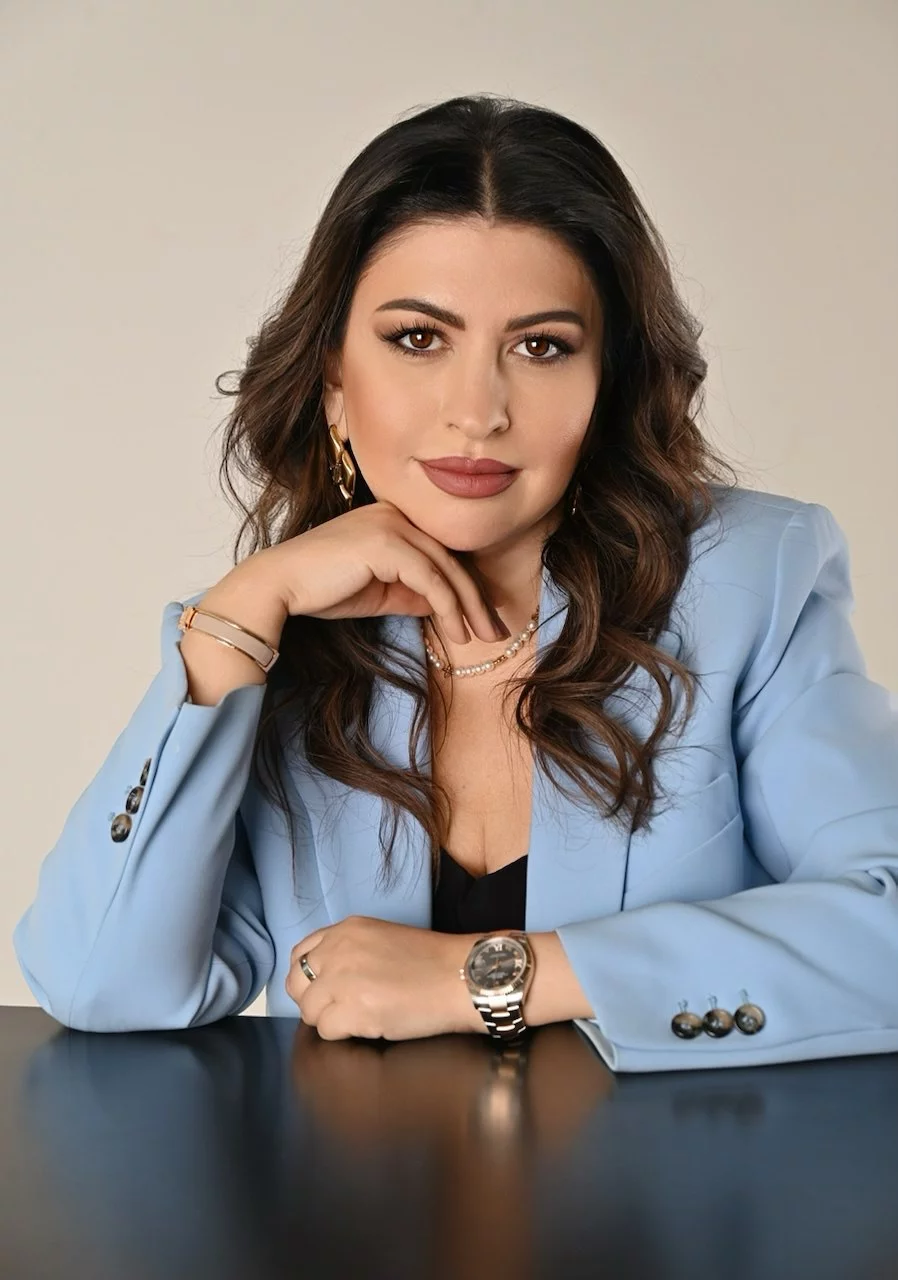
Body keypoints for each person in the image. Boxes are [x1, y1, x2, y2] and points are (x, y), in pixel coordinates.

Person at [14, 93, 898, 1073]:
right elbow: (102, 983)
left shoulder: (752, 581)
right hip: (355, 1178)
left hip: (675, 1171)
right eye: (418, 338)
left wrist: (482, 976)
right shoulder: (291, 639)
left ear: (607, 385)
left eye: (541, 346)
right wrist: (232, 623)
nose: (477, 411)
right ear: (333, 381)